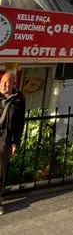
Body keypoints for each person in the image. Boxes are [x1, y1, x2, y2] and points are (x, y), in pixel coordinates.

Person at [0, 72, 26, 215]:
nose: (4, 85)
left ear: (13, 84)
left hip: (4, 138)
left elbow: (20, 123)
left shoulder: (19, 99)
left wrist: (16, 142)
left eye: (7, 83)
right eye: (2, 82)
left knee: (0, 170)